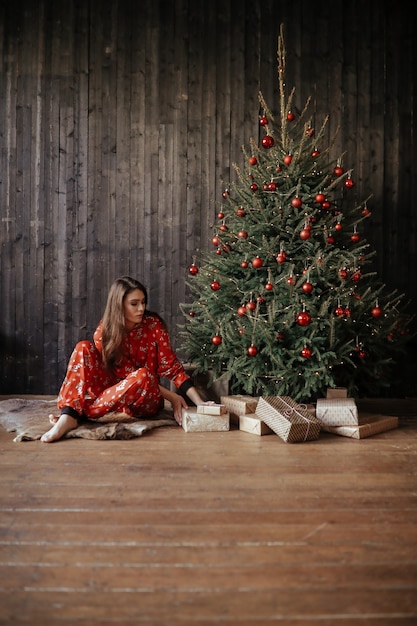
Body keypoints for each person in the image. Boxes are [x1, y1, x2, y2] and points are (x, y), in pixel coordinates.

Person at [41, 276, 208, 442]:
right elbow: (119, 373)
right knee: (82, 347)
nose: (141, 308)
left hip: (144, 396)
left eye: (143, 302)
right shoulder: (104, 331)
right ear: (119, 305)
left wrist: (199, 402)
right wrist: (172, 396)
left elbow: (172, 368)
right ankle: (71, 414)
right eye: (134, 304)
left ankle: (73, 414)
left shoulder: (154, 325)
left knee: (142, 375)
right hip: (109, 393)